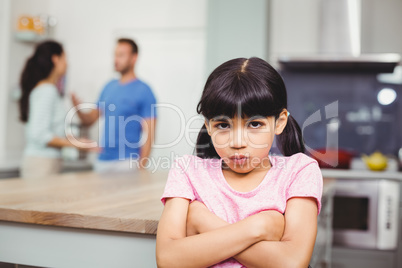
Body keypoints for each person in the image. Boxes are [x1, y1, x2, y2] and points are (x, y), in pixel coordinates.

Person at [156, 57, 323, 267]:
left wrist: (200, 220)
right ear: (208, 126)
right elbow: (168, 260)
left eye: (254, 124)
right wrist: (261, 226)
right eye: (223, 125)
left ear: (279, 122)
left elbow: (291, 262)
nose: (237, 142)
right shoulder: (187, 170)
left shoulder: (299, 171)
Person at [71, 38, 157, 172]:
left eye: (121, 55)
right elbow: (90, 120)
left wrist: (141, 167)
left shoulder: (144, 91)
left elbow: (150, 134)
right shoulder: (108, 87)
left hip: (127, 162)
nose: (116, 59)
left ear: (134, 58)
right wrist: (78, 109)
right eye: (115, 55)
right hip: (102, 161)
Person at [19, 40, 95, 179]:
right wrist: (76, 143)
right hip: (40, 164)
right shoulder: (47, 90)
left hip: (47, 163)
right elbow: (39, 134)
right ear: (56, 59)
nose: (67, 63)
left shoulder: (48, 90)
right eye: (65, 58)